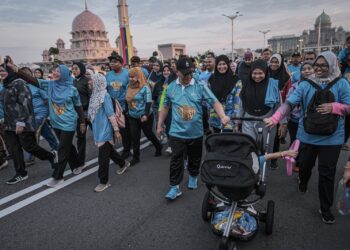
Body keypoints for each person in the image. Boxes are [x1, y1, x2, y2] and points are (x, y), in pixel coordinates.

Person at [264, 51, 350, 224]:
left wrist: (335, 107)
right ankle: (303, 180)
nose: (318, 69)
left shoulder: (342, 84)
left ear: (333, 65)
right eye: (316, 65)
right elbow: (289, 103)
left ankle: (325, 208)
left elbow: (348, 106)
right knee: (304, 164)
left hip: (332, 137)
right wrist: (275, 119)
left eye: (323, 65)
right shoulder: (305, 84)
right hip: (308, 135)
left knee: (327, 173)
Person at [157, 57, 230, 200]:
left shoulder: (200, 85)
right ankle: (174, 187)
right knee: (176, 159)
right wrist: (159, 124)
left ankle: (193, 175)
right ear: (177, 72)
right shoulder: (170, 87)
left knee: (194, 157)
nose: (187, 76)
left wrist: (223, 116)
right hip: (176, 132)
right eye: (183, 73)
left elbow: (214, 101)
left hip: (195, 131)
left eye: (189, 73)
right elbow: (165, 106)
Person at [0, 62, 57, 185]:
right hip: (9, 123)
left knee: (29, 146)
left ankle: (50, 156)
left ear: (10, 71)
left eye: (3, 71)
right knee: (15, 149)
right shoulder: (5, 85)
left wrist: (21, 122)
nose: (1, 73)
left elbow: (25, 103)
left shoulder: (19, 83)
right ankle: (21, 173)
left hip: (23, 122)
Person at [87, 73, 130, 192]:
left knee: (103, 158)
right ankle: (123, 163)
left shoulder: (104, 96)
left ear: (97, 83)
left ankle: (104, 181)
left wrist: (116, 130)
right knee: (109, 151)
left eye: (91, 80)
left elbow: (111, 114)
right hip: (98, 130)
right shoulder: (94, 95)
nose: (89, 82)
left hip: (105, 130)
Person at [238, 59, 281, 156]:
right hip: (248, 120)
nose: (257, 76)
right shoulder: (246, 84)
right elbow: (241, 105)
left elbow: (278, 105)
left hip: (267, 120)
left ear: (266, 72)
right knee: (249, 146)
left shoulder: (272, 85)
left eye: (260, 73)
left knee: (265, 149)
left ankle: (262, 169)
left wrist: (282, 123)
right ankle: (251, 168)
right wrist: (237, 123)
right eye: (254, 73)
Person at [126, 67, 162, 166]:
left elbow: (148, 101)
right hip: (132, 116)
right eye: (129, 77)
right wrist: (127, 111)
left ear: (138, 77)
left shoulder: (145, 87)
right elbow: (127, 99)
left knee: (148, 134)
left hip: (144, 115)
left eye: (133, 77)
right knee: (135, 137)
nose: (130, 79)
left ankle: (158, 146)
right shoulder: (128, 86)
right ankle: (136, 157)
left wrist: (145, 114)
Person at [106, 53, 132, 159]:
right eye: (111, 62)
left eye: (115, 62)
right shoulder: (108, 75)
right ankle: (110, 150)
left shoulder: (127, 73)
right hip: (111, 105)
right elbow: (106, 89)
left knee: (124, 129)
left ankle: (127, 150)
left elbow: (131, 88)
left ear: (121, 63)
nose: (112, 64)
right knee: (113, 128)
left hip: (124, 105)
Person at [208, 55, 242, 132]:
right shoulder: (211, 79)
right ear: (216, 65)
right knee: (216, 142)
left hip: (229, 118)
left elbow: (237, 102)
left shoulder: (236, 80)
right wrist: (209, 118)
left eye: (224, 64)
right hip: (215, 118)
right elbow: (209, 100)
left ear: (228, 65)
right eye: (219, 64)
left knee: (227, 141)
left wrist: (235, 122)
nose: (222, 66)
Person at [72, 62, 92, 168]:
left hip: (89, 112)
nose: (74, 71)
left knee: (99, 135)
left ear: (82, 69)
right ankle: (81, 161)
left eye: (76, 68)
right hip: (78, 114)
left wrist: (90, 113)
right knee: (80, 137)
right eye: (73, 69)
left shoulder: (88, 81)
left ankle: (112, 155)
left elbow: (91, 97)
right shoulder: (73, 81)